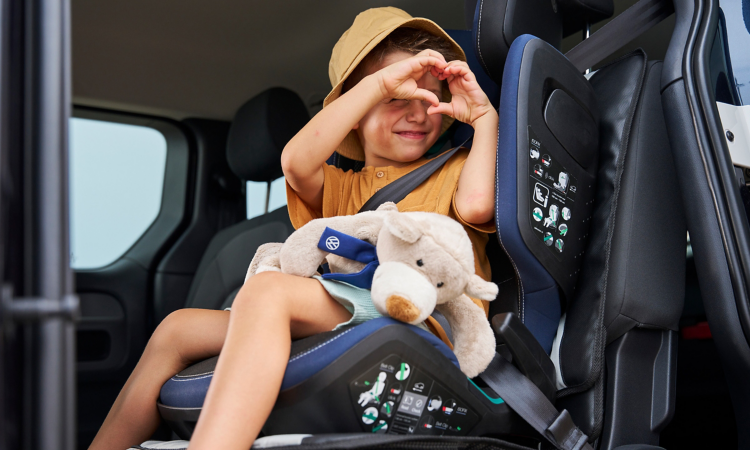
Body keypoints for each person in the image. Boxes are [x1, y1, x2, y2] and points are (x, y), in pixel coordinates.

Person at [88, 7, 497, 450]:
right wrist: (376, 84)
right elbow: (295, 162)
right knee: (176, 328)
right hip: (351, 304)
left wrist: (483, 117)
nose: (417, 114)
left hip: (420, 313)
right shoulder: (344, 185)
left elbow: (477, 206)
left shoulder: (454, 167)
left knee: (269, 293)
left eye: (429, 99)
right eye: (396, 98)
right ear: (354, 110)